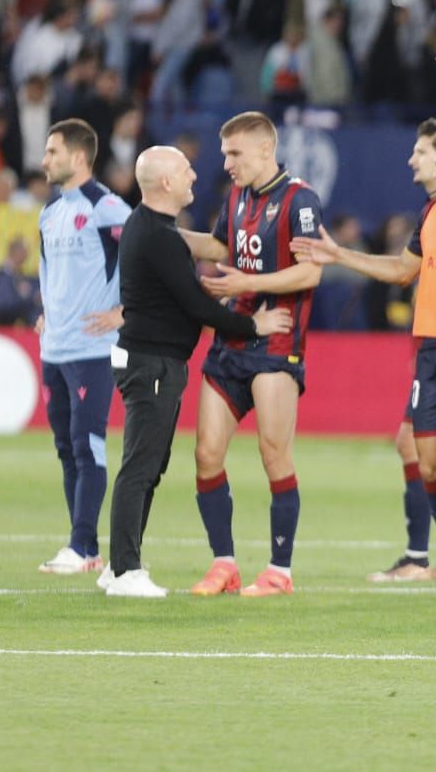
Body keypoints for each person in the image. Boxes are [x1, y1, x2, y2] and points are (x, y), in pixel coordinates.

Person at [294, 123, 436, 601]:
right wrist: (338, 255)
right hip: (433, 353)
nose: (434, 169)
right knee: (429, 465)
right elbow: (402, 271)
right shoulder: (434, 212)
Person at [101, 146, 291, 597]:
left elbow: (184, 297)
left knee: (148, 464)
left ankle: (120, 564)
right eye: (186, 170)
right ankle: (125, 570)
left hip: (149, 360)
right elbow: (195, 306)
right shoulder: (161, 235)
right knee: (141, 465)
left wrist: (208, 299)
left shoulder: (153, 228)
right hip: (152, 363)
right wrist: (252, 323)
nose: (193, 175)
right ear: (165, 183)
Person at [173, 113, 325, 598]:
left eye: (234, 153)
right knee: (206, 453)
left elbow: (310, 273)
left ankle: (280, 570)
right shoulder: (236, 197)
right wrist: (165, 233)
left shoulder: (300, 199)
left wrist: (248, 283)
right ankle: (225, 564)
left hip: (277, 344)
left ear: (265, 150)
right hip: (231, 339)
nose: (226, 163)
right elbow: (222, 246)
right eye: (224, 154)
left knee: (273, 453)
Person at [361, 119, 436, 582]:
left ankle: (433, 557)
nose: (413, 160)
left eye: (421, 152)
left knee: (435, 451)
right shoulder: (435, 211)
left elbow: (405, 273)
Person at [35, 119, 133, 576]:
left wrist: (124, 312)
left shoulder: (108, 208)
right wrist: (46, 311)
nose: (43, 160)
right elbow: (49, 272)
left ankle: (81, 545)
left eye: (52, 152)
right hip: (53, 349)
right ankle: (86, 548)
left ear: (78, 157)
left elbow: (154, 257)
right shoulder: (49, 213)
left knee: (86, 443)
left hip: (93, 350)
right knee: (64, 446)